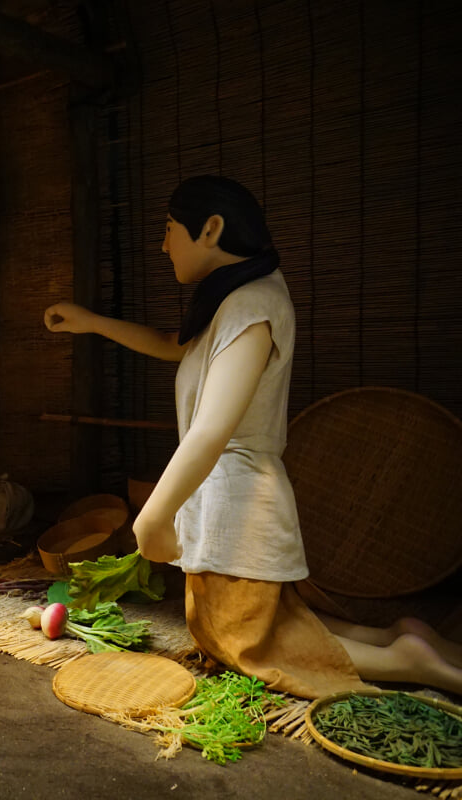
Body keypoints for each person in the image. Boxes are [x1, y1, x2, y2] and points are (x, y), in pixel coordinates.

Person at [44, 175, 462, 698]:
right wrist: (91, 322)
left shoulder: (251, 307)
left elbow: (213, 427)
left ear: (211, 229)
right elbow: (176, 345)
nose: (163, 243)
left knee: (246, 644)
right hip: (230, 494)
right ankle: (391, 637)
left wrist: (154, 516)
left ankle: (408, 663)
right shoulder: (242, 299)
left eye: (170, 228)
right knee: (268, 623)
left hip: (238, 499)